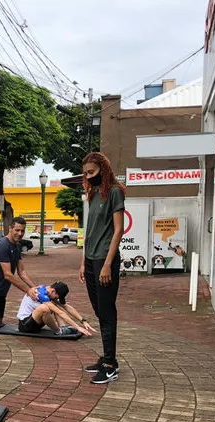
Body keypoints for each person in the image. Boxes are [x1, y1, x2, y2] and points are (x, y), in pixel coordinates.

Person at [79, 152, 126, 384]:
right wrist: (83, 261)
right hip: (90, 259)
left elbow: (118, 230)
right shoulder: (94, 194)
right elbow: (90, 231)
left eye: (92, 172)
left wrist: (107, 263)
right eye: (86, 173)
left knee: (107, 312)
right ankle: (107, 357)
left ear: (103, 170)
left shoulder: (114, 192)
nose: (89, 176)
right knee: (99, 310)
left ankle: (110, 364)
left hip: (105, 260)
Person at [17, 282, 97, 337]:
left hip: (36, 323)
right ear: (53, 291)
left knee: (54, 305)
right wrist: (77, 327)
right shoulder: (41, 294)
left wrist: (83, 321)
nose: (57, 298)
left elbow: (66, 307)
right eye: (57, 296)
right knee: (46, 308)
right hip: (25, 325)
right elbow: (60, 312)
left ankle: (62, 327)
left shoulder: (48, 291)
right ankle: (58, 331)